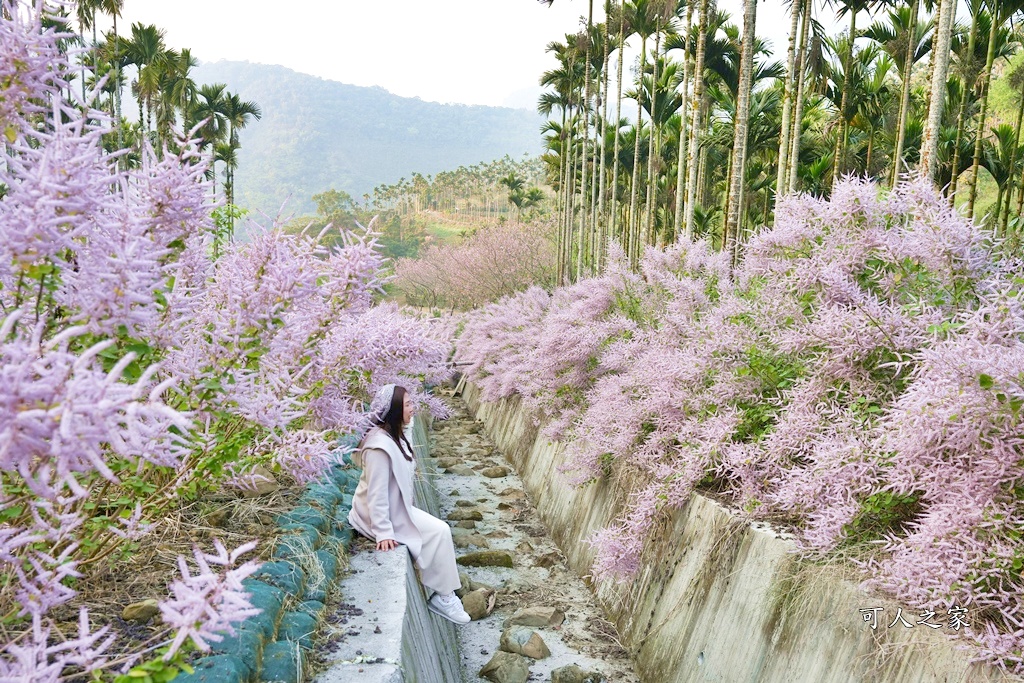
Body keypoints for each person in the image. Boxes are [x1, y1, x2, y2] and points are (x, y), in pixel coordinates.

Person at [347, 383, 471, 625]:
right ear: (393, 410)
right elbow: (376, 493)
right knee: (440, 531)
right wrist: (383, 532)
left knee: (438, 531)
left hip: (396, 508)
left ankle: (445, 594)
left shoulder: (393, 436)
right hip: (376, 515)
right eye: (408, 405)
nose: (413, 409)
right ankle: (444, 597)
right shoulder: (378, 447)